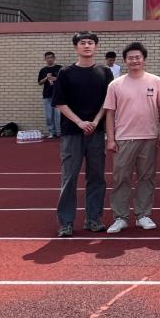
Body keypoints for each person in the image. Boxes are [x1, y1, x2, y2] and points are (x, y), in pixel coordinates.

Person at [52, 31, 114, 237]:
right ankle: (66, 223)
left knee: (96, 177)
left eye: (90, 43)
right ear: (76, 47)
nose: (87, 46)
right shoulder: (65, 72)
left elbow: (108, 102)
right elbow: (60, 103)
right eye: (82, 43)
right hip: (72, 133)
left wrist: (95, 121)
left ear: (96, 46)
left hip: (96, 132)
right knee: (69, 178)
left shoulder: (105, 72)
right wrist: (79, 122)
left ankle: (93, 219)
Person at [103, 42, 160, 234]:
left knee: (147, 177)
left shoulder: (156, 81)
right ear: (125, 61)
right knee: (121, 178)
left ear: (144, 59)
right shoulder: (115, 84)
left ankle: (143, 215)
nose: (134, 61)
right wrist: (111, 139)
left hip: (149, 137)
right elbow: (110, 113)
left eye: (138, 57)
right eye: (130, 58)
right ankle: (120, 217)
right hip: (124, 138)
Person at [38, 51, 62, 138]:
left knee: (58, 115)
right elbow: (39, 82)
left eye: (51, 57)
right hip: (47, 95)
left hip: (58, 95)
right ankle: (52, 132)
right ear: (45, 59)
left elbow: (65, 80)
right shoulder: (43, 70)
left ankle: (59, 132)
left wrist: (56, 78)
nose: (49, 59)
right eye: (47, 58)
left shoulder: (60, 68)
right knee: (49, 116)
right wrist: (46, 78)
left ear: (54, 58)